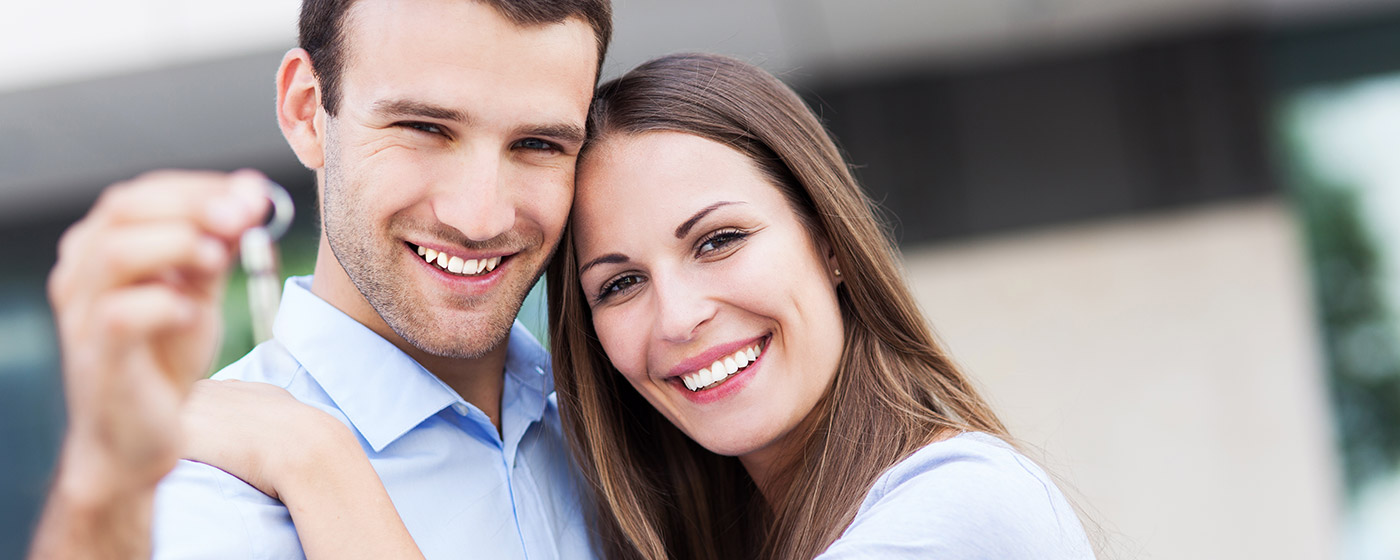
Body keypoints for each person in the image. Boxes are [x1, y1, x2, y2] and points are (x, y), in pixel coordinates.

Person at [181, 53, 1097, 559]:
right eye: (619, 283)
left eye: (719, 241)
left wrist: (316, 460)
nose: (679, 316)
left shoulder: (964, 510)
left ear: (829, 241)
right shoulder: (687, 518)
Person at [27, 0, 612, 559]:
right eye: (424, 127)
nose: (481, 218)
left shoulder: (631, 428)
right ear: (307, 109)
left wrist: (316, 460)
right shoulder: (217, 504)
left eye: (539, 144)